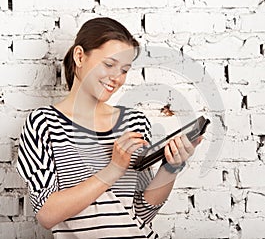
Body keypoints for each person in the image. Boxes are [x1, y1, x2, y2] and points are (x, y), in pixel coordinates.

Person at [17, 17, 202, 238]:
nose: (117, 77)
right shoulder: (44, 123)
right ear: (79, 56)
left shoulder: (135, 122)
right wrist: (113, 169)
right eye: (109, 64)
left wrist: (171, 167)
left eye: (124, 70)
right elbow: (47, 214)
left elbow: (142, 213)